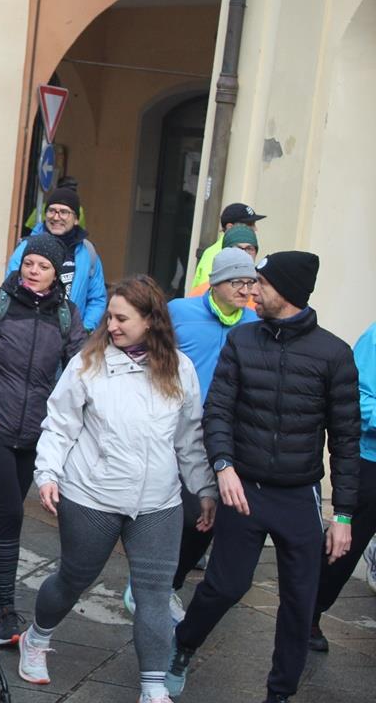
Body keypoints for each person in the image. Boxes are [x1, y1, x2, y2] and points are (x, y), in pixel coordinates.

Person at [167, 252, 361, 703]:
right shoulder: (243, 340)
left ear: (288, 291)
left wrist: (344, 514)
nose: (252, 290)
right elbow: (217, 410)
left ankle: (280, 694)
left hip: (298, 495)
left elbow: (346, 439)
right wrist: (223, 466)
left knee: (299, 601)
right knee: (225, 587)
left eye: (262, 284)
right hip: (244, 489)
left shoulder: (334, 354)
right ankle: (183, 643)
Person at [18, 276, 216, 703]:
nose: (112, 326)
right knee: (74, 578)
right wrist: (47, 474)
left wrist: (204, 489)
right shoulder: (88, 364)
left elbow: (189, 438)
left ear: (151, 321)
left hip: (158, 502)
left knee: (155, 595)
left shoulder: (180, 368)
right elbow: (59, 425)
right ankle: (36, 638)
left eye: (122, 319)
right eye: (109, 317)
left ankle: (152, 688)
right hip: (92, 496)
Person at [0, 233, 85, 644]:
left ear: (56, 274)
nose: (33, 271)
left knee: (6, 519)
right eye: (29, 263)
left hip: (34, 430)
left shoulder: (66, 314)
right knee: (12, 512)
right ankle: (4, 606)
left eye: (43, 266)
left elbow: (80, 368)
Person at [148, 248, 259, 617]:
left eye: (250, 282)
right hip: (174, 426)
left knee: (204, 517)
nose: (246, 290)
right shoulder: (180, 311)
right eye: (237, 282)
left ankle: (169, 584)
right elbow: (153, 355)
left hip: (223, 434)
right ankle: (146, 581)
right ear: (217, 283)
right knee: (169, 510)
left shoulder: (254, 323)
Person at [310, 318, 376, 649]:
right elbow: (355, 397)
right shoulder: (375, 337)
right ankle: (308, 612)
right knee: (345, 546)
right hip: (371, 461)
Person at [8, 187, 106, 332]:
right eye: (51, 211)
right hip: (28, 332)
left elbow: (97, 299)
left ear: (76, 219)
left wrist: (84, 330)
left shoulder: (88, 253)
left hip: (71, 336)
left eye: (64, 212)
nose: (56, 217)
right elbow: (12, 287)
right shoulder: (26, 247)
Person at [190, 202, 265, 288]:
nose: (255, 229)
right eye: (250, 224)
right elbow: (209, 290)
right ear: (230, 227)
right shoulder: (216, 254)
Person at [186, 224, 258, 300]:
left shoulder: (259, 294)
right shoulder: (203, 292)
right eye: (237, 249)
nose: (244, 254)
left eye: (249, 249)